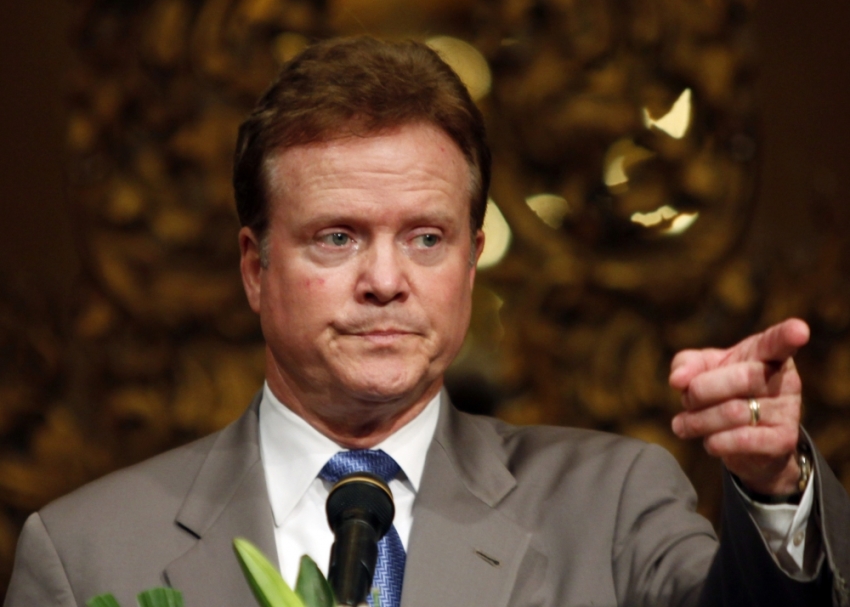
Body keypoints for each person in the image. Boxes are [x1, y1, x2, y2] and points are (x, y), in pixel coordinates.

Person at [5, 36, 849, 607]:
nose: (385, 281)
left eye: (426, 238)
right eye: (337, 237)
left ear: (473, 257)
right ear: (254, 267)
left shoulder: (613, 504)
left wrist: (776, 492)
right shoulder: (84, 555)